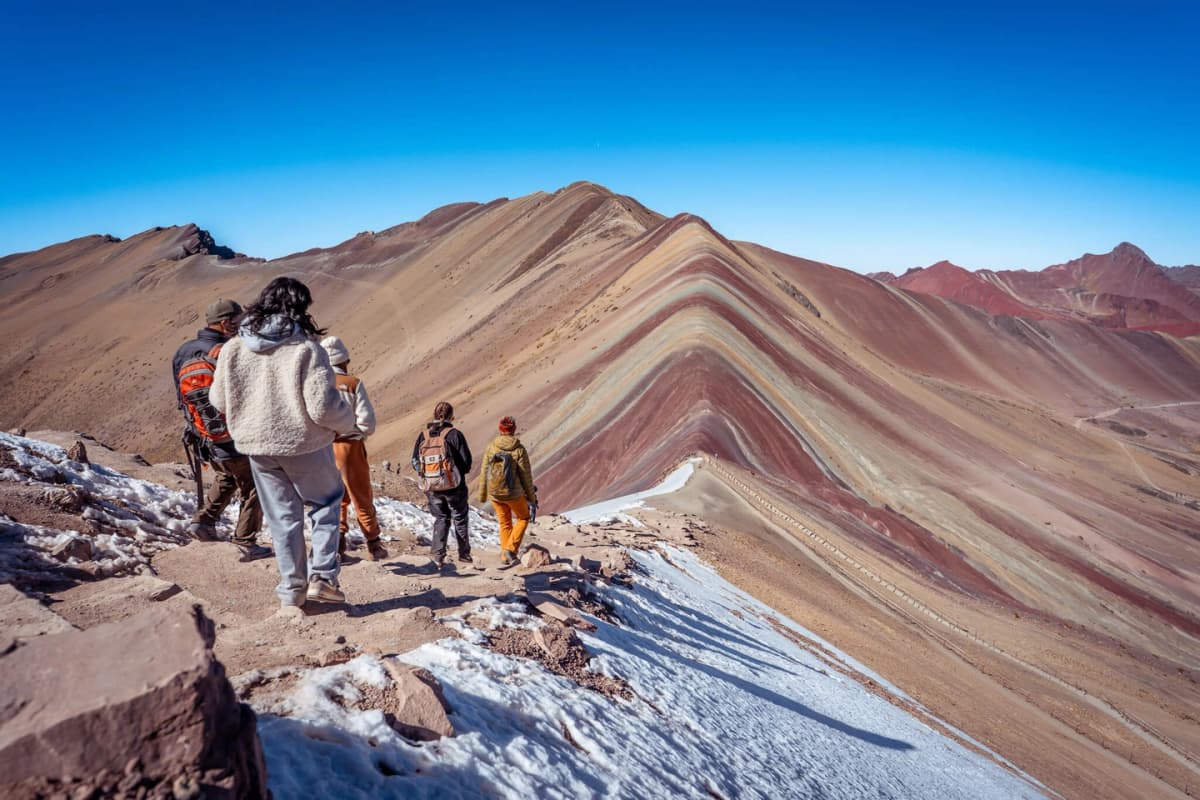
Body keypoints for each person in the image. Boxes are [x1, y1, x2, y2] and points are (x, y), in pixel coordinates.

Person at [209, 277, 358, 611]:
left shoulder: (233, 347)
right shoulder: (306, 348)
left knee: (282, 517)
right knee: (325, 503)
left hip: (257, 446)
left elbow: (217, 399)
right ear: (298, 308)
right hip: (304, 443)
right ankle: (323, 578)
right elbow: (322, 406)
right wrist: (347, 423)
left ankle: (292, 591)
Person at [171, 298, 272, 562]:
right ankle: (245, 542)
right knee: (255, 484)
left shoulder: (183, 352)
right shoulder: (227, 351)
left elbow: (182, 399)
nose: (241, 327)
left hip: (204, 436)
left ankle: (203, 523)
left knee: (228, 475)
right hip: (234, 434)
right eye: (238, 322)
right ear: (226, 323)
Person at [320, 335, 388, 562]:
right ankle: (374, 543)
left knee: (334, 495)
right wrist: (355, 431)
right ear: (344, 360)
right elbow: (367, 422)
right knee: (361, 494)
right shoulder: (353, 384)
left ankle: (338, 542)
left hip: (322, 447)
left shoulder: (317, 382)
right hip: (349, 446)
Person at [412, 402, 473, 569]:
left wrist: (428, 475)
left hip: (432, 486)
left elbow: (415, 461)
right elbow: (466, 462)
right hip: (454, 486)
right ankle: (464, 555)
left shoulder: (423, 435)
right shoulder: (455, 434)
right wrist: (454, 474)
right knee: (459, 517)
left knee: (441, 518)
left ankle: (437, 556)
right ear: (451, 416)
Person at [477, 416, 537, 566]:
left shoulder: (491, 447)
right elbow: (525, 475)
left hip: (495, 493)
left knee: (505, 523)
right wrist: (531, 498)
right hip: (514, 494)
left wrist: (483, 493)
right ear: (514, 429)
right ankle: (510, 549)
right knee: (523, 517)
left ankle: (505, 557)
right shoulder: (519, 450)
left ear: (500, 429)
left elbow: (484, 470)